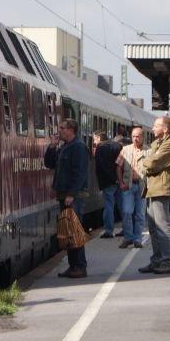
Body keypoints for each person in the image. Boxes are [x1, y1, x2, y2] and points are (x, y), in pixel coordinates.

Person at [44, 118, 90, 279]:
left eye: (62, 128)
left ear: (71, 129)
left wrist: (71, 194)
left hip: (74, 197)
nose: (59, 131)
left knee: (75, 231)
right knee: (68, 231)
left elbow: (80, 173)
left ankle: (80, 266)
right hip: (64, 195)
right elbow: (49, 164)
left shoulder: (78, 148)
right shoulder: (65, 147)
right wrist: (52, 146)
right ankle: (73, 266)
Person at [139, 116, 170, 274]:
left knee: (162, 226)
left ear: (165, 129)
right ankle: (156, 259)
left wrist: (147, 166)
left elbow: (152, 162)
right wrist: (149, 165)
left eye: (156, 126)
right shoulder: (156, 144)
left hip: (162, 188)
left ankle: (166, 260)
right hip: (151, 188)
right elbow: (151, 162)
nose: (152, 128)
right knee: (152, 227)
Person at [116, 126, 147, 249]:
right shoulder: (125, 150)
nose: (135, 139)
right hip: (128, 186)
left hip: (142, 186)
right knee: (127, 211)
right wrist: (121, 182)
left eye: (138, 136)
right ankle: (128, 237)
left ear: (142, 137)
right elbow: (118, 166)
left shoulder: (148, 151)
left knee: (140, 214)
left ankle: (138, 239)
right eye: (133, 136)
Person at [93, 132, 122, 238]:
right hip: (120, 180)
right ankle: (126, 228)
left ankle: (109, 231)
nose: (94, 142)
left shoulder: (100, 148)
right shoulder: (117, 145)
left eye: (94, 139)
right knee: (122, 205)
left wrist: (113, 179)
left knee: (109, 206)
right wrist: (119, 179)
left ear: (99, 138)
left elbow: (102, 167)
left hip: (108, 182)